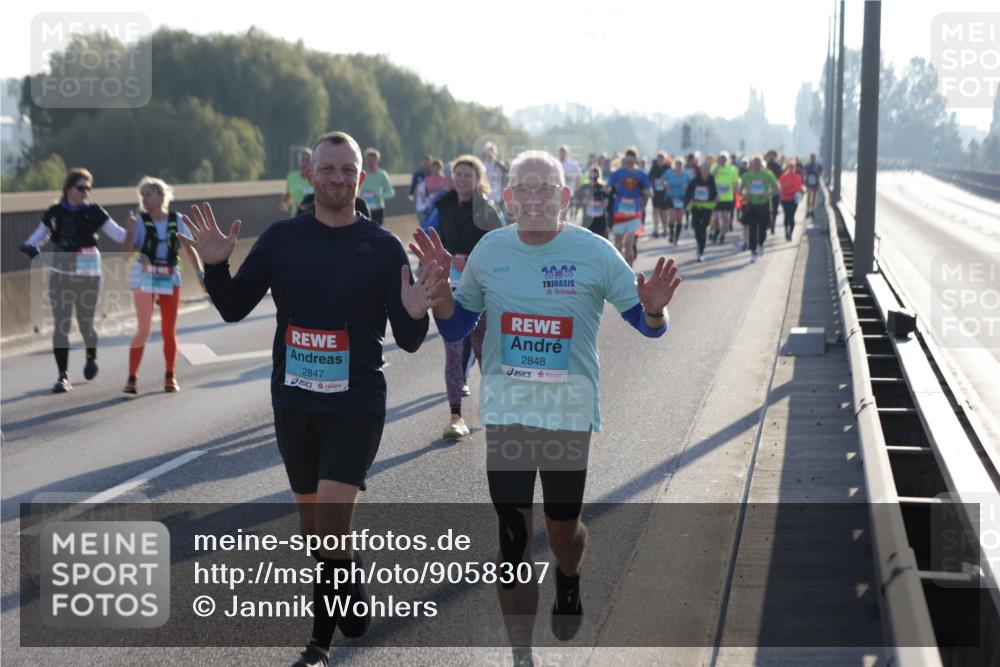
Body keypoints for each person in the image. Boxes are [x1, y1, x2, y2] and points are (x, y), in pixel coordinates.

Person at [410, 149, 682, 667]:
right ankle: (521, 655)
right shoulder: (491, 251)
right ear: (508, 198)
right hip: (509, 413)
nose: (534, 199)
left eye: (545, 190)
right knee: (511, 540)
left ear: (564, 198)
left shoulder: (595, 252)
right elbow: (455, 327)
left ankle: (570, 574)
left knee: (562, 531)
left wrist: (654, 308)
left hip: (567, 414)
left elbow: (648, 325)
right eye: (523, 190)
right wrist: (440, 295)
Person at [181, 131, 442, 667]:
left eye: (348, 170)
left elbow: (410, 340)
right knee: (316, 528)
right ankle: (348, 581)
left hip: (357, 403)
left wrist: (417, 311)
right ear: (311, 175)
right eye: (328, 169)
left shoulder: (382, 247)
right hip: (294, 403)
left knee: (327, 515)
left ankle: (318, 645)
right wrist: (214, 267)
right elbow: (232, 308)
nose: (338, 178)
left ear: (360, 179)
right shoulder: (281, 239)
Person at [19, 168, 128, 392]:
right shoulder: (55, 213)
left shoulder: (95, 212)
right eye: (81, 188)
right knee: (62, 325)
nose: (86, 192)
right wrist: (32, 250)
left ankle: (91, 356)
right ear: (69, 189)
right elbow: (34, 239)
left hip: (89, 272)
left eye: (89, 188)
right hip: (61, 272)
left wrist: (139, 230)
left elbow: (118, 235)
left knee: (85, 323)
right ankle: (62, 376)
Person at [422, 155, 503, 439]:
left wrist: (472, 259)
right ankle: (456, 416)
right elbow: (426, 236)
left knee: (482, 349)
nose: (461, 179)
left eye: (468, 175)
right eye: (457, 174)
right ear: (451, 177)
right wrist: (442, 258)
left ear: (478, 179)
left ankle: (495, 408)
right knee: (453, 351)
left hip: (480, 288)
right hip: (449, 288)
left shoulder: (488, 209)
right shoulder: (441, 207)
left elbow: (501, 245)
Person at [122, 177, 205, 394]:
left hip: (169, 278)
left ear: (161, 195)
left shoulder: (176, 220)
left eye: (149, 194)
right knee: (144, 329)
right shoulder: (139, 222)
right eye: (143, 196)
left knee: (168, 330)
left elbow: (189, 249)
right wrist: (130, 232)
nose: (145, 200)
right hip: (145, 277)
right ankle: (132, 378)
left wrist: (200, 273)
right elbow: (126, 255)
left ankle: (170, 375)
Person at [606, 148, 650, 267]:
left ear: (636, 159)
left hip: (634, 213)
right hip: (620, 212)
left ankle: (630, 272)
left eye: (632, 157)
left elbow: (649, 192)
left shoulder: (641, 175)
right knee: (618, 245)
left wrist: (645, 192)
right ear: (625, 159)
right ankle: (617, 272)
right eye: (628, 158)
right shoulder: (618, 173)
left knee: (629, 246)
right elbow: (608, 187)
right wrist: (608, 190)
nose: (630, 160)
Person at [739, 156, 780, 263]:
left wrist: (769, 193)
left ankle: (760, 244)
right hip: (752, 205)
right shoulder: (747, 176)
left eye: (758, 163)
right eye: (754, 163)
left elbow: (777, 189)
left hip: (764, 205)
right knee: (752, 228)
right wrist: (744, 194)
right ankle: (753, 251)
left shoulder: (767, 175)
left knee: (762, 230)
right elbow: (739, 189)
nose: (756, 165)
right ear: (751, 164)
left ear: (762, 164)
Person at [685, 164, 717, 262]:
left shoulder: (711, 180)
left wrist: (715, 197)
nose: (704, 171)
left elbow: (714, 193)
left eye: (706, 169)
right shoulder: (695, 181)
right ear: (700, 171)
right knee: (697, 228)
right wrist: (691, 199)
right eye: (703, 169)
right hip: (696, 208)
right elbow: (688, 193)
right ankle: (699, 245)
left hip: (707, 207)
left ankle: (701, 251)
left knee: (703, 228)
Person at [358, 147, 396, 225]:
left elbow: (391, 192)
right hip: (362, 208)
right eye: (369, 160)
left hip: (377, 209)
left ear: (377, 161)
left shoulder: (382, 174)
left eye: (373, 160)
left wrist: (379, 195)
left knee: (376, 232)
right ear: (365, 160)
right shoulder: (360, 173)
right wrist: (359, 195)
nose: (370, 162)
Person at [710, 152, 740, 245]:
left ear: (727, 160)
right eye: (721, 158)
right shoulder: (714, 167)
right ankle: (716, 230)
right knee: (715, 218)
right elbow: (710, 178)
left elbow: (735, 182)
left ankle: (722, 235)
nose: (722, 160)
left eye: (724, 158)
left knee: (725, 218)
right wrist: (718, 167)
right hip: (716, 197)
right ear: (717, 159)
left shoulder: (732, 169)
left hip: (728, 197)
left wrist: (738, 191)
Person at [578, 164, 611, 238]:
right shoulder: (584, 187)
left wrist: (599, 202)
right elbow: (579, 201)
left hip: (600, 220)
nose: (593, 180)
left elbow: (607, 203)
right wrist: (586, 200)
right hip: (587, 220)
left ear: (598, 176)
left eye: (595, 178)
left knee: (601, 240)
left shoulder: (603, 188)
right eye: (591, 178)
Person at [664, 159, 692, 245]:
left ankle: (676, 238)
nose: (678, 166)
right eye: (677, 164)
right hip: (671, 197)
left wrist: (687, 186)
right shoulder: (669, 173)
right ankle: (671, 234)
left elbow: (691, 185)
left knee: (679, 218)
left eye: (680, 164)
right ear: (674, 165)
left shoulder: (686, 174)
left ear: (682, 165)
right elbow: (661, 181)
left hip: (682, 198)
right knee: (672, 217)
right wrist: (666, 184)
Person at [778, 159, 804, 241]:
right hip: (785, 198)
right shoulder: (783, 177)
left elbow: (800, 187)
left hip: (794, 199)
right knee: (787, 215)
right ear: (787, 167)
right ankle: (786, 231)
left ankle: (790, 233)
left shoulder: (798, 177)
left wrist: (801, 191)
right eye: (790, 167)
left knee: (792, 216)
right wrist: (784, 186)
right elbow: (779, 187)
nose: (792, 168)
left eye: (793, 167)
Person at [282, 148, 314, 214]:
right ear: (298, 162)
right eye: (302, 160)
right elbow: (289, 194)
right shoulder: (291, 177)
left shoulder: (317, 177)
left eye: (307, 160)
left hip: (313, 218)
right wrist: (285, 203)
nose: (304, 163)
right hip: (296, 217)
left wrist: (306, 207)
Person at [648, 152, 671, 239]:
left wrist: (666, 183)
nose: (660, 160)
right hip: (656, 192)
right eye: (659, 159)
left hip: (665, 193)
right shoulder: (654, 167)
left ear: (665, 159)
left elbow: (671, 179)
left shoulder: (668, 168)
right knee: (656, 210)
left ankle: (665, 229)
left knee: (664, 212)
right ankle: (656, 230)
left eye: (662, 159)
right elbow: (649, 178)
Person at [558, 145, 582, 221]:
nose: (562, 154)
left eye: (563, 152)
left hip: (569, 190)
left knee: (565, 210)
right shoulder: (556, 163)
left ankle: (563, 226)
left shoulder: (572, 164)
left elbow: (578, 175)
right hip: (557, 190)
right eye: (561, 152)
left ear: (566, 153)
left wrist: (569, 177)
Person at [764, 150, 783, 235]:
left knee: (774, 209)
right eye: (769, 155)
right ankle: (767, 223)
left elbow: (781, 178)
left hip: (775, 190)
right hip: (764, 190)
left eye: (773, 155)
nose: (771, 157)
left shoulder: (777, 166)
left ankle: (773, 226)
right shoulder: (764, 166)